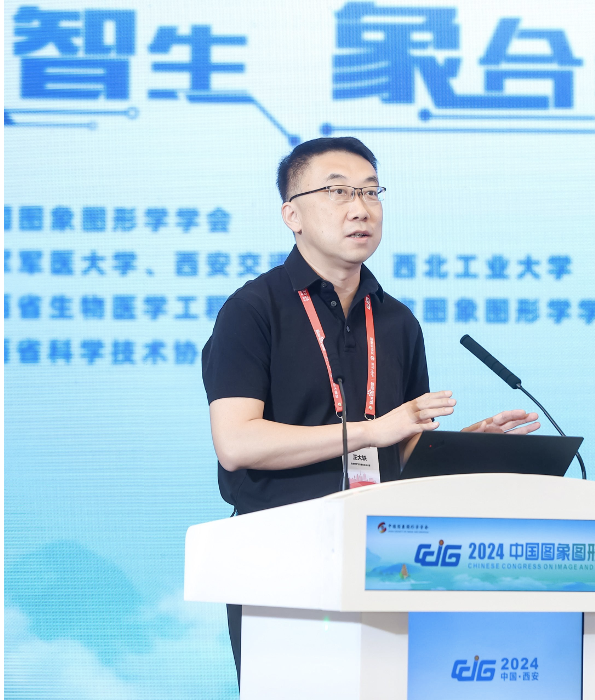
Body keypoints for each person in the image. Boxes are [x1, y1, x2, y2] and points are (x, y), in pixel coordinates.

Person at [200, 136, 539, 683]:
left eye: (371, 192)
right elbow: (237, 443)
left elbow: (400, 450)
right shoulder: (253, 311)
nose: (360, 208)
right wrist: (372, 430)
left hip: (387, 554)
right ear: (292, 215)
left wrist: (466, 445)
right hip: (281, 554)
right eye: (338, 192)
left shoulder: (397, 320)